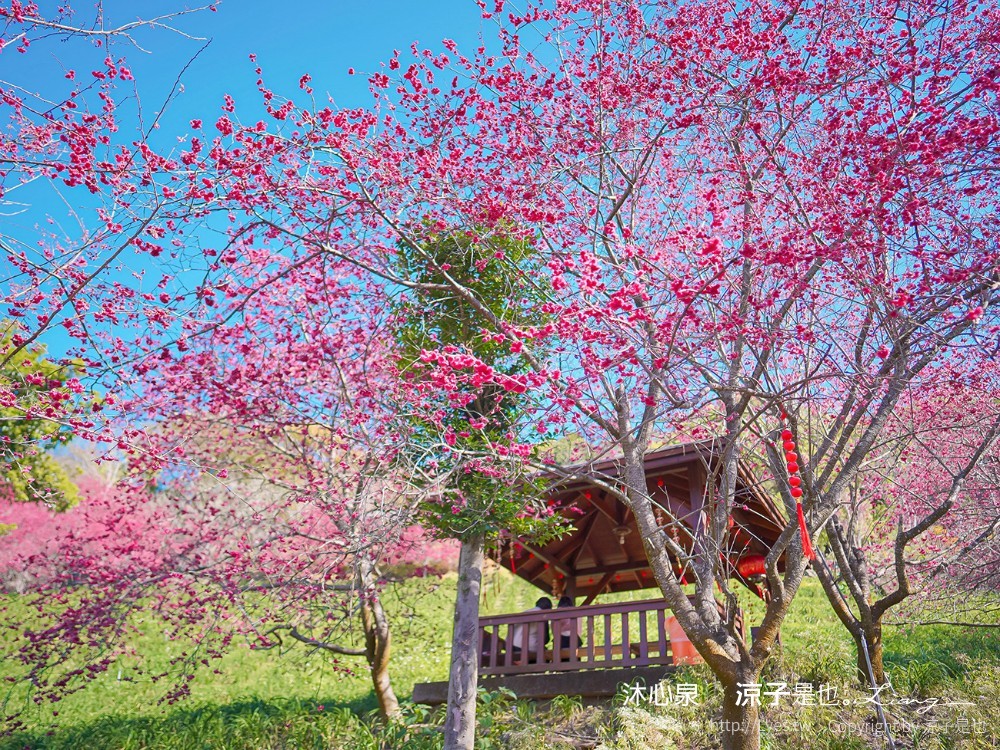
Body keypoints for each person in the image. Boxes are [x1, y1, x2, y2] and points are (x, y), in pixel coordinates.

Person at [509, 597, 552, 663]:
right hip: (527, 649)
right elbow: (545, 639)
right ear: (548, 609)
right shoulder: (543, 615)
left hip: (512, 647)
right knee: (545, 653)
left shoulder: (525, 612)